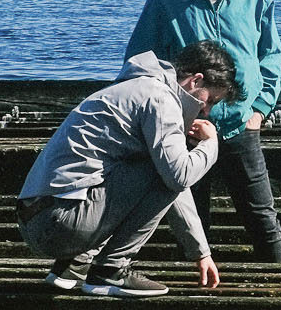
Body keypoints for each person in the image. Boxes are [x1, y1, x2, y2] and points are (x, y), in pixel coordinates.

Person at [126, 0, 281, 265]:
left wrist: (260, 109)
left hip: (241, 127)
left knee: (263, 220)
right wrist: (167, 115)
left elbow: (271, 56)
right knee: (194, 225)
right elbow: (140, 64)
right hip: (187, 131)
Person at [15, 41, 239, 296]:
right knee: (165, 169)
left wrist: (201, 252)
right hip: (61, 223)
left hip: (39, 218)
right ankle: (111, 271)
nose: (206, 111)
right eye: (210, 100)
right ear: (196, 81)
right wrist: (211, 145)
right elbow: (178, 177)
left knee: (155, 167)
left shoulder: (136, 87)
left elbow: (172, 183)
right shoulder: (161, 99)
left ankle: (73, 266)